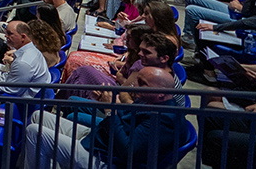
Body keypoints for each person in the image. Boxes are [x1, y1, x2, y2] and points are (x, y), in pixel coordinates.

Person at [20, 67, 186, 169]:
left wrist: (110, 110)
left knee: (35, 132)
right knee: (38, 116)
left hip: (106, 158)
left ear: (161, 93)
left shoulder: (166, 119)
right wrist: (106, 104)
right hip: (100, 139)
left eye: (143, 84)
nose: (135, 87)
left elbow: (128, 151)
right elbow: (125, 119)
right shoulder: (149, 100)